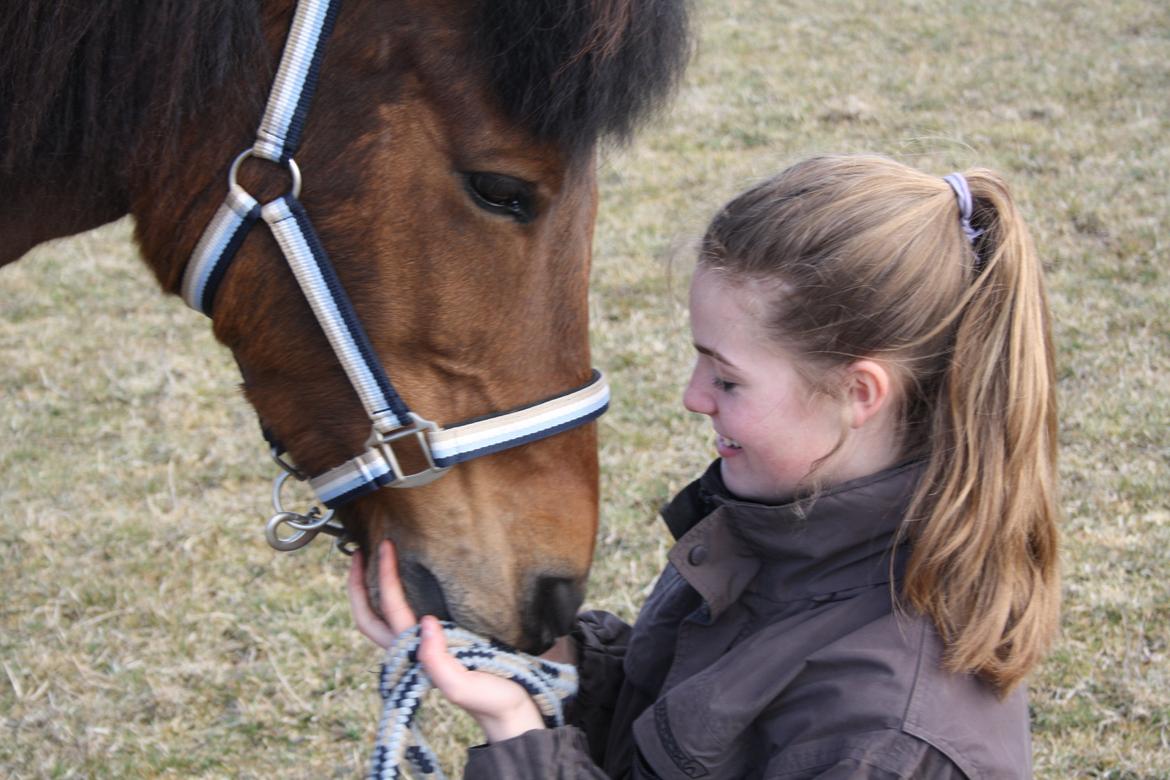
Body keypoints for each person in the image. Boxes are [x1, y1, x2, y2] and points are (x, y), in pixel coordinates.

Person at [349, 154, 1060, 778]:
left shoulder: (886, 743)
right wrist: (543, 660)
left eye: (726, 379)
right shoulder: (773, 532)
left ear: (858, 393)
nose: (692, 398)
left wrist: (517, 736)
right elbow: (671, 722)